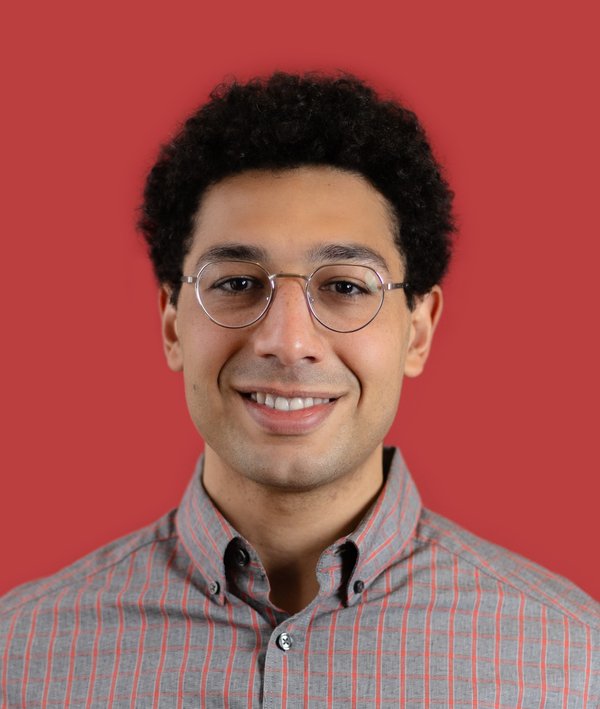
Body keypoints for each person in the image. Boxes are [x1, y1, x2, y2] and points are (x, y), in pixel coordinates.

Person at [1, 72, 598, 708]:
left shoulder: (573, 661)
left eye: (344, 287)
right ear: (172, 323)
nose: (287, 341)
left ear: (418, 331)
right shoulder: (19, 654)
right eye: (235, 284)